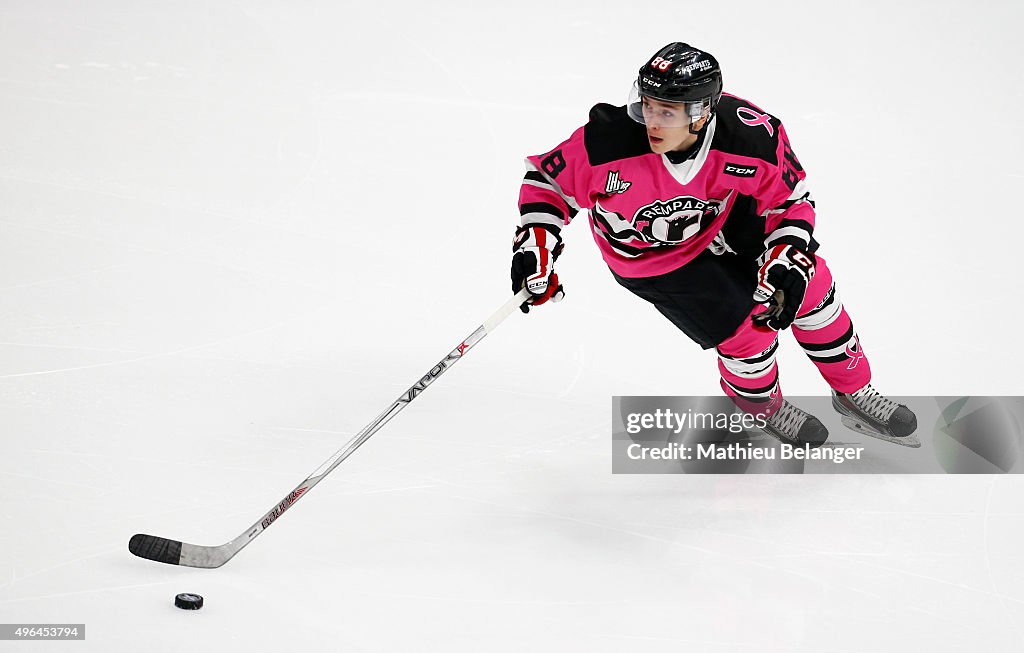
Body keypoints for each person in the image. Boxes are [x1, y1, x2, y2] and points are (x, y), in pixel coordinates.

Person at [510, 42, 918, 448]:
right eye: (647, 104)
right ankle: (760, 406)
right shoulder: (606, 142)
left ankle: (854, 390)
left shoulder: (750, 137)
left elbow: (790, 200)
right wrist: (536, 247)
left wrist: (786, 254)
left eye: (666, 112)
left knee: (811, 285)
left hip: (723, 220)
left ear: (702, 112)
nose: (651, 120)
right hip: (652, 258)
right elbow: (547, 183)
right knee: (749, 330)